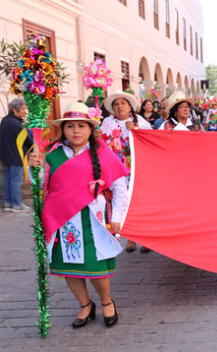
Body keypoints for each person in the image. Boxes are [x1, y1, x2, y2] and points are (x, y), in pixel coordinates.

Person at [31, 102, 128, 328]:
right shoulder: (52, 156)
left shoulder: (103, 153)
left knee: (97, 266)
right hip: (60, 220)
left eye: (81, 126)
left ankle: (106, 302)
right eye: (70, 126)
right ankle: (85, 305)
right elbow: (39, 186)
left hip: (93, 218)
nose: (76, 131)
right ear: (63, 130)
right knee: (69, 267)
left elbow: (119, 187)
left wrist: (118, 217)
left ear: (90, 129)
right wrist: (33, 169)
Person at [101, 91, 151, 253]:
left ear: (130, 107)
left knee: (140, 203)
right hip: (116, 171)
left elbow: (150, 141)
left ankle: (144, 237)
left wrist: (135, 130)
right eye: (116, 104)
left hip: (137, 169)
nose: (119, 106)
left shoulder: (140, 122)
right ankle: (131, 237)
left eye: (123, 103)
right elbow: (101, 144)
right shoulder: (107, 122)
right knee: (123, 202)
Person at [0, 97, 32, 212]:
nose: (25, 111)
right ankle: (17, 204)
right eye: (23, 109)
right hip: (16, 156)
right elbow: (28, 140)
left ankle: (8, 203)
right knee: (16, 182)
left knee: (8, 180)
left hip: (6, 156)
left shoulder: (5, 120)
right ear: (14, 110)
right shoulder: (17, 124)